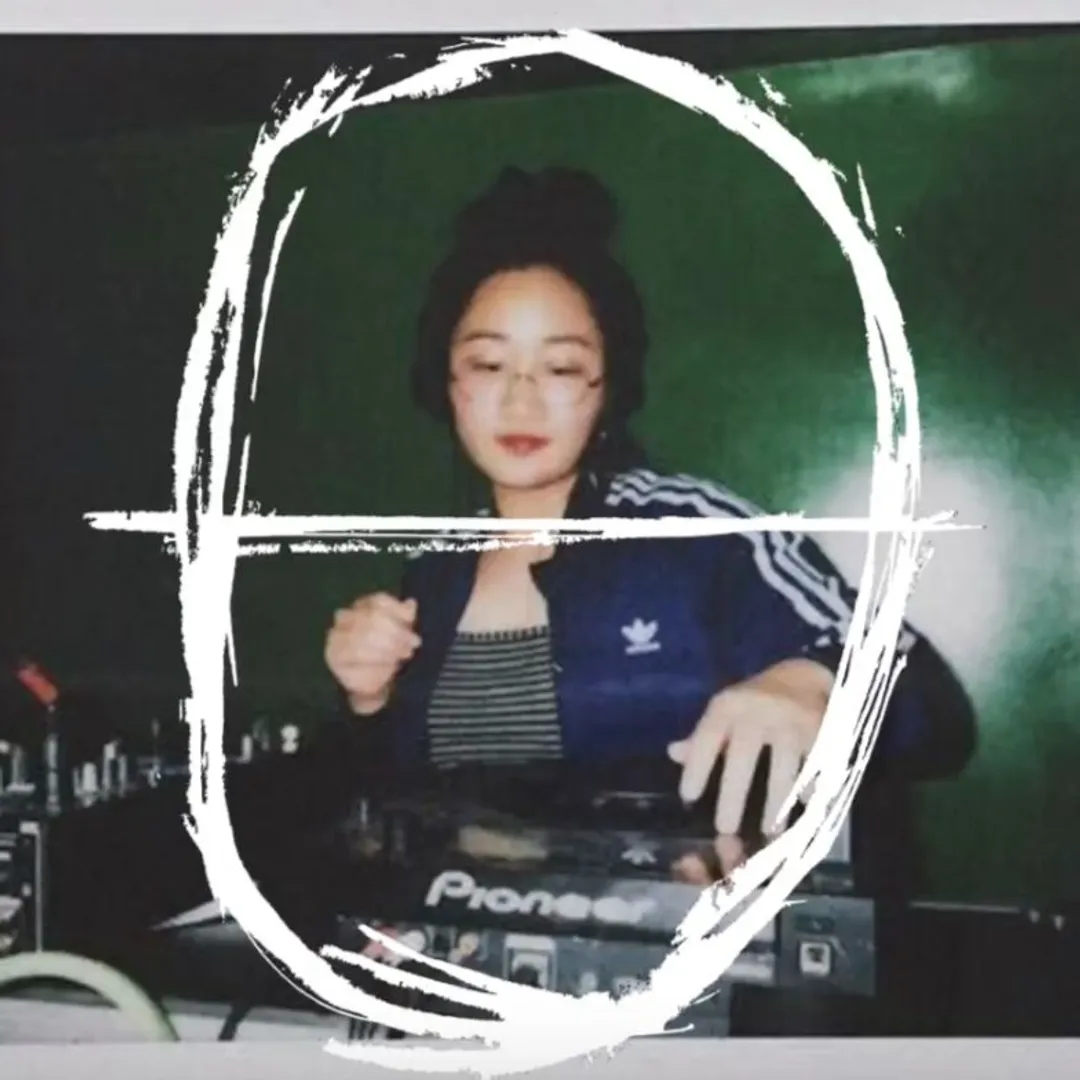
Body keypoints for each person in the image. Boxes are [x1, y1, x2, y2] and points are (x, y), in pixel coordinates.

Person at [322, 165, 975, 881]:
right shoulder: (435, 569)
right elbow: (401, 801)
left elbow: (932, 705)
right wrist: (368, 700)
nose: (521, 401)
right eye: (487, 364)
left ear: (608, 387)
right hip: (483, 933)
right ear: (446, 382)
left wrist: (812, 683)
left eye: (561, 369)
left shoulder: (695, 533)